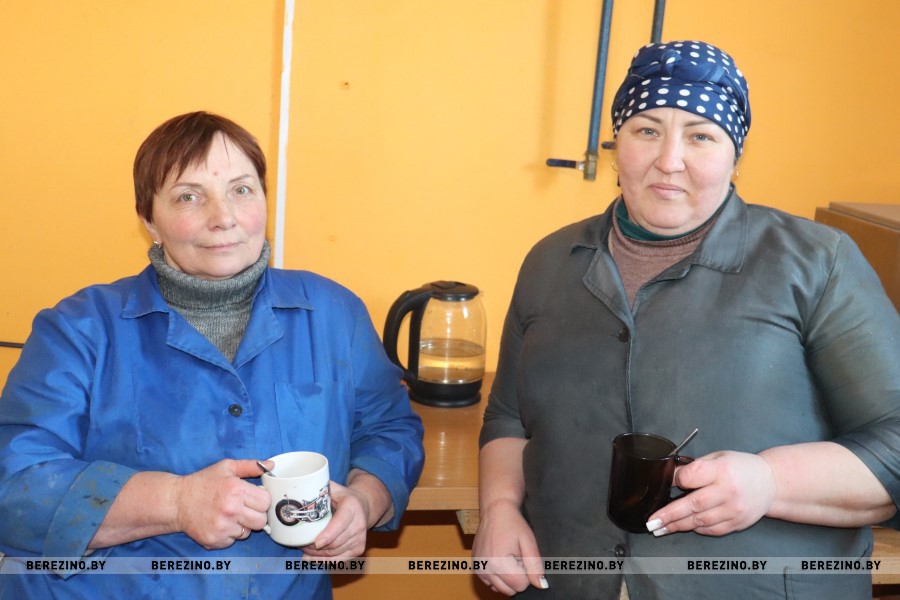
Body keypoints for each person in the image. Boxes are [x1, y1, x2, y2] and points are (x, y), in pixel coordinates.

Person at [473, 40, 900, 599]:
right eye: (647, 130)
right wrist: (499, 508)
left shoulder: (818, 261)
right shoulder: (550, 262)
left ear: (734, 155)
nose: (669, 159)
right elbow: (508, 418)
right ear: (616, 144)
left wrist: (770, 482)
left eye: (701, 136)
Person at [0, 112, 425, 599]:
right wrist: (175, 502)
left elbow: (389, 430)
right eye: (189, 196)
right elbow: (14, 483)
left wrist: (365, 502)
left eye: (241, 190)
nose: (223, 217)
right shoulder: (78, 329)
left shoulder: (333, 313)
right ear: (149, 220)